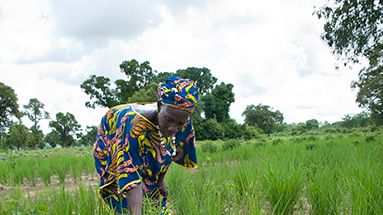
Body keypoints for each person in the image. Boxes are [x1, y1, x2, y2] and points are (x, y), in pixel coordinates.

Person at [93, 76, 199, 214]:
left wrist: (160, 181)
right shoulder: (133, 127)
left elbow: (168, 152)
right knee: (124, 200)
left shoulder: (182, 117)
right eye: (168, 119)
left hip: (147, 134)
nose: (173, 128)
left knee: (154, 199)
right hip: (113, 138)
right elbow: (130, 175)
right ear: (160, 106)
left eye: (179, 123)